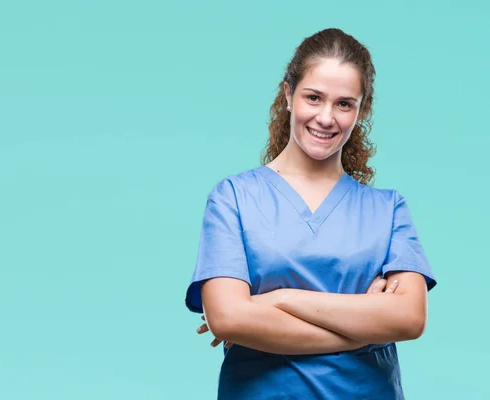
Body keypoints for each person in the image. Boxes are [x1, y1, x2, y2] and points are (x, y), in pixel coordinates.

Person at [184, 28, 437, 400]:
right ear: (288, 95)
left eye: (344, 104)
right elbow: (229, 318)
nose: (326, 117)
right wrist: (366, 325)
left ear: (361, 110)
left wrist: (279, 298)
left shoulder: (387, 209)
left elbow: (410, 319)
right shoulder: (233, 198)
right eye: (314, 98)